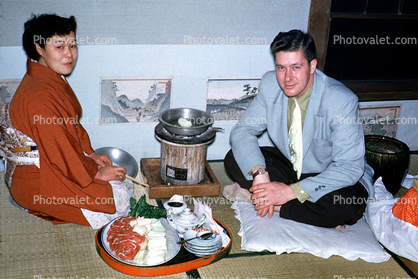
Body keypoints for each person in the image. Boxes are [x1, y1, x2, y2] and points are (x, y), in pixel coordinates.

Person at [224, 29, 375, 228]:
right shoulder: (271, 84)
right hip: (293, 166)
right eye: (281, 68)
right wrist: (260, 174)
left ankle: (277, 204)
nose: (287, 78)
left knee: (347, 206)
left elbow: (349, 167)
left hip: (331, 175)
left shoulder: (341, 100)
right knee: (234, 159)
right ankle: (288, 202)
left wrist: (288, 192)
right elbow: (243, 131)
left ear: (312, 66)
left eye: (296, 67)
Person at [1, 14, 129, 227]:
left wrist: (91, 155)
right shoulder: (39, 96)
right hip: (39, 181)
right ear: (39, 48)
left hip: (55, 164)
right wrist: (95, 173)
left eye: (73, 45)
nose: (69, 54)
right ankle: (30, 203)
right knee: (118, 202)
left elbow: (71, 130)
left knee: (118, 181)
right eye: (59, 47)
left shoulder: (48, 79)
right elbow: (60, 151)